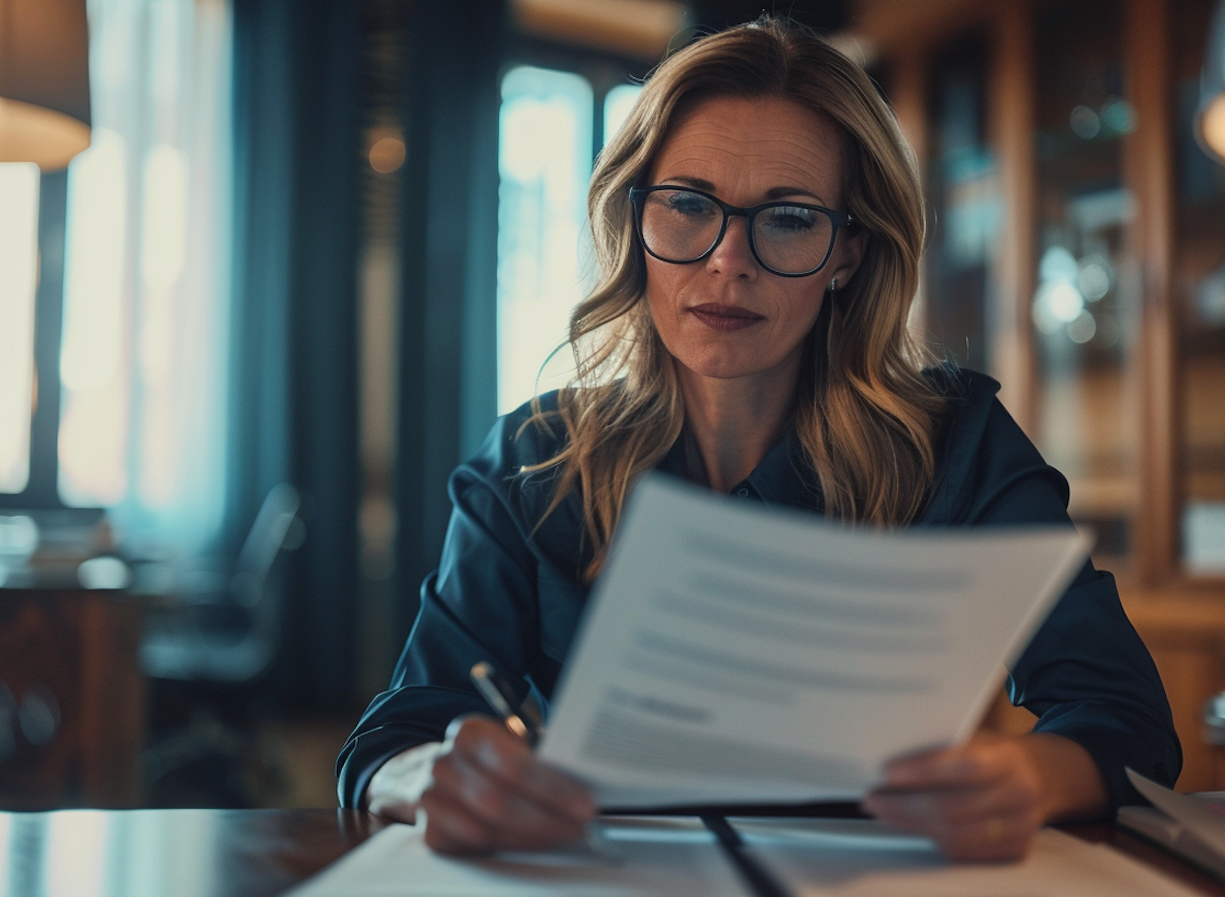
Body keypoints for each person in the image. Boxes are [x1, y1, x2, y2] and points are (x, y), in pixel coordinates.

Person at [336, 16, 1180, 862]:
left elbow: (1126, 718)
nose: (727, 260)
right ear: (637, 221)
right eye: (689, 206)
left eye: (788, 218)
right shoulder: (534, 456)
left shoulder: (955, 444)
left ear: (848, 251)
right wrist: (427, 776)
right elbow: (400, 732)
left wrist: (1027, 776)